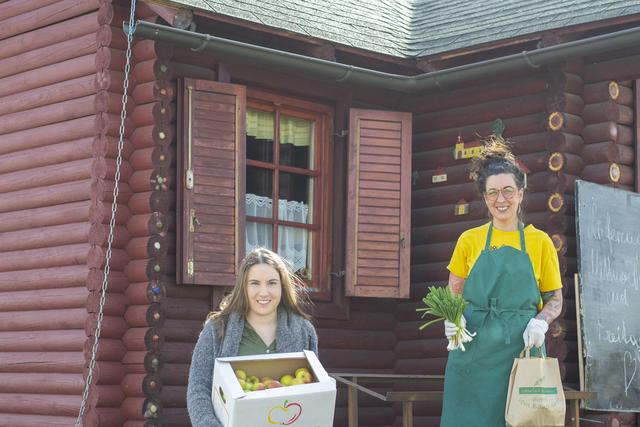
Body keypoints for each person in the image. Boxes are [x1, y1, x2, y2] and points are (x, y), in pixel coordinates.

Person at [440, 136, 563, 427]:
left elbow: (555, 298)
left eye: (508, 191)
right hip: (472, 355)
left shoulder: (540, 242)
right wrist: (452, 319)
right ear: (485, 198)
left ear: (521, 193)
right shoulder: (469, 241)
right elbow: (451, 294)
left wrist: (541, 322)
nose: (501, 199)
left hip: (520, 354)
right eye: (493, 193)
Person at [187, 247, 318, 427]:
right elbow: (198, 390)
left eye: (272, 283)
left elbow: (315, 391)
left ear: (282, 286)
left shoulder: (305, 331)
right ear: (244, 287)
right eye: (255, 283)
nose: (263, 292)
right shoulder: (217, 330)